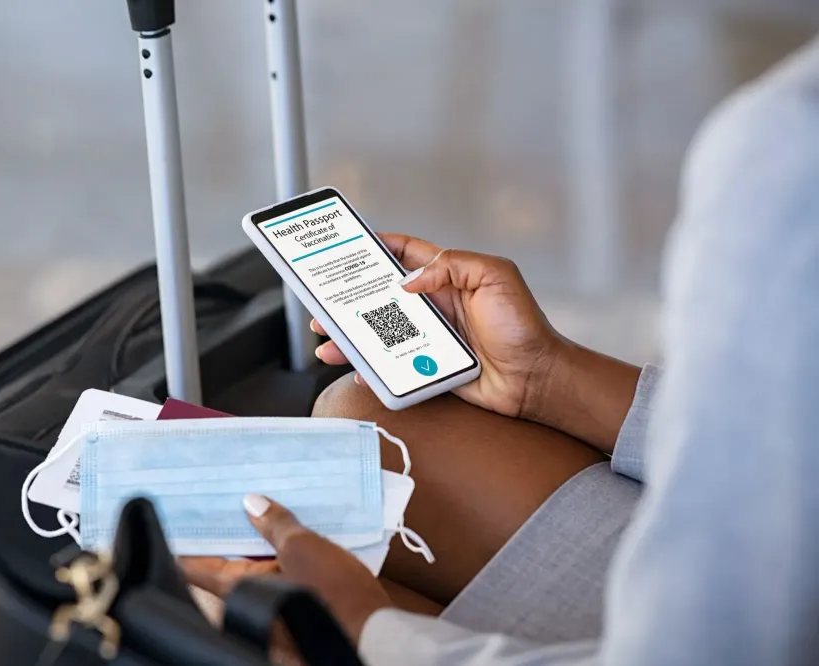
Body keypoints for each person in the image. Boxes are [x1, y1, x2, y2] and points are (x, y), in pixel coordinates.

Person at [183, 37, 819, 665]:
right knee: (367, 411)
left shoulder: (785, 150)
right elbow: (773, 433)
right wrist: (548, 378)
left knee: (223, 599)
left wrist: (363, 626)